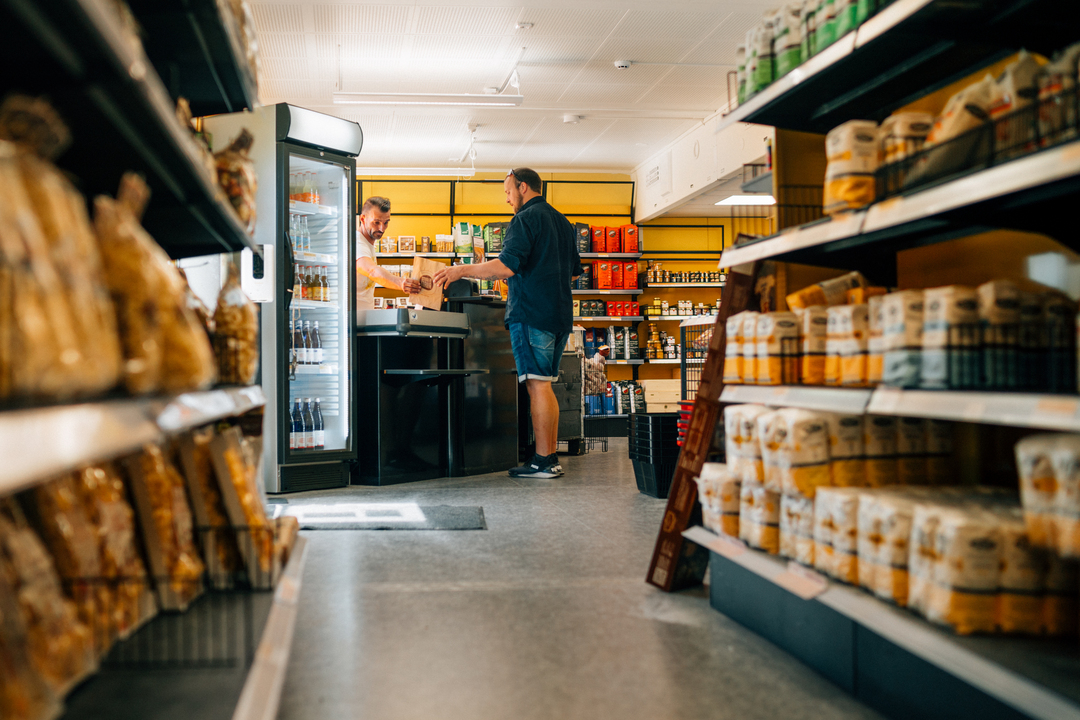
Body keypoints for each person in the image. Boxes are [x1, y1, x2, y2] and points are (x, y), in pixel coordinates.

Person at [434, 168, 580, 479]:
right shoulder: (563, 222)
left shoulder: (525, 219)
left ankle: (543, 460)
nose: (507, 199)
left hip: (531, 314)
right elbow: (572, 272)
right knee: (545, 384)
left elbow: (504, 266)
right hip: (559, 315)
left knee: (537, 385)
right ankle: (549, 458)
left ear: (523, 187)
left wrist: (460, 271)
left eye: (508, 191)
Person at [356, 195, 420, 310]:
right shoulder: (357, 243)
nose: (382, 228)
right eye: (376, 222)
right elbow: (372, 271)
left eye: (386, 222)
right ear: (362, 219)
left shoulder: (368, 243)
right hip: (352, 321)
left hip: (363, 318)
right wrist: (402, 283)